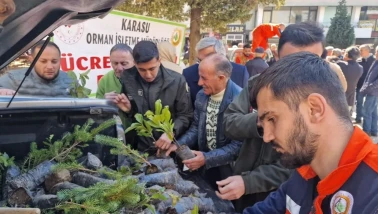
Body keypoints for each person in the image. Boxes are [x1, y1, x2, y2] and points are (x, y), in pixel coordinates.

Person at [219, 22, 348, 213]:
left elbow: (309, 161)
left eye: (309, 61)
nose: (299, 72)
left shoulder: (328, 101)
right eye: (292, 61)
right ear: (277, 57)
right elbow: (229, 122)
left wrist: (250, 181)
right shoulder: (259, 86)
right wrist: (265, 120)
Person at [245, 52, 378, 214]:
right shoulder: (304, 171)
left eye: (272, 119)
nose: (267, 137)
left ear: (314, 109)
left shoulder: (372, 193)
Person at [165, 54, 242, 188]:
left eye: (204, 78)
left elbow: (237, 146)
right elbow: (196, 127)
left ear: (221, 78)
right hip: (205, 166)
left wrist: (207, 158)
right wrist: (178, 145)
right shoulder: (202, 95)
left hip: (229, 171)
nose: (199, 83)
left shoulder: (240, 100)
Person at [114, 41, 193, 152]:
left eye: (152, 68)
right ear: (135, 64)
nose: (148, 75)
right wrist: (129, 110)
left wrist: (170, 133)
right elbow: (135, 117)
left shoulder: (177, 81)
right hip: (140, 150)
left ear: (159, 61)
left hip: (170, 149)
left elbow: (186, 115)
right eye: (142, 70)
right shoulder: (128, 80)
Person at [183, 37, 248, 106]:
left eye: (206, 60)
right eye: (199, 61)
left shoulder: (240, 72)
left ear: (221, 57)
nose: (202, 65)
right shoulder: (188, 74)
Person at [0, 40, 74, 97]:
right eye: (43, 61)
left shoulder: (70, 81)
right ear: (31, 60)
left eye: (54, 62)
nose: (50, 67)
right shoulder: (13, 79)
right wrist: (2, 91)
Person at [360, 46, 378, 136]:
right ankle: (374, 130)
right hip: (373, 91)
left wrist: (369, 87)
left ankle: (366, 131)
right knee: (373, 112)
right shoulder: (376, 61)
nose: (375, 53)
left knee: (367, 112)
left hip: (373, 92)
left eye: (377, 51)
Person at [356, 44, 376, 123]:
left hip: (372, 88)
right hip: (360, 86)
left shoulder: (375, 60)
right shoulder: (359, 61)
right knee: (359, 103)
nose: (359, 52)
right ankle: (358, 118)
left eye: (361, 50)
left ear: (367, 51)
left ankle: (369, 125)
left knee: (371, 108)